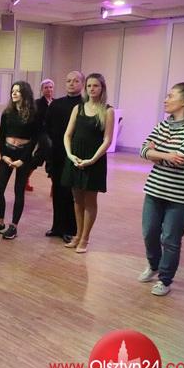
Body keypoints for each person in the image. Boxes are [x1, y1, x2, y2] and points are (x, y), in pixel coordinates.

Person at [138, 82, 184, 296]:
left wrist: (156, 153)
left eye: (171, 96)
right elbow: (143, 150)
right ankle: (153, 265)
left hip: (181, 196)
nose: (166, 99)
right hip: (154, 189)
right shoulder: (163, 125)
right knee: (149, 233)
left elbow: (181, 158)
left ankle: (165, 279)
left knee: (170, 239)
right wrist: (166, 154)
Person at [61, 73, 115, 254]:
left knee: (90, 200)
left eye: (96, 86)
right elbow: (68, 134)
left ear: (102, 88)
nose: (92, 89)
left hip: (94, 159)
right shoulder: (78, 108)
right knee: (77, 199)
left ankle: (85, 238)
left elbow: (107, 140)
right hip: (76, 158)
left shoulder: (108, 110)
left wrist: (92, 159)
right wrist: (70, 155)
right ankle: (77, 235)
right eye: (89, 86)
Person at [0, 81, 40, 240]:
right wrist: (4, 155)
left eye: (18, 91)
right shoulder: (7, 113)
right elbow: (1, 135)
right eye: (12, 91)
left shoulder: (33, 114)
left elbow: (34, 140)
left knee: (18, 191)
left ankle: (14, 226)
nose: (14, 93)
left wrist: (22, 160)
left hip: (24, 155)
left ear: (25, 93)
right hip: (7, 153)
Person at [44, 71, 84, 242]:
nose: (71, 84)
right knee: (58, 191)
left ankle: (71, 229)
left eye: (75, 81)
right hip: (57, 154)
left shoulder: (85, 105)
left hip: (76, 155)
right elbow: (47, 128)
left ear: (82, 84)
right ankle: (57, 226)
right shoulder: (56, 104)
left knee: (71, 193)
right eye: (68, 81)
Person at [26, 78, 55, 192]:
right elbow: (35, 120)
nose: (49, 89)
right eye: (46, 87)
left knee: (39, 156)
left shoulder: (56, 103)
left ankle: (24, 179)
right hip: (41, 133)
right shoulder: (37, 103)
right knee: (50, 154)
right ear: (42, 90)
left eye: (50, 87)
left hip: (54, 134)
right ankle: (55, 185)